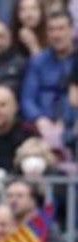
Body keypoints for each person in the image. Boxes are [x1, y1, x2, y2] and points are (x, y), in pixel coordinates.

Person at [20, 10, 75, 148]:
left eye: (61, 29)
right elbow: (27, 98)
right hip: (41, 128)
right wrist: (39, 119)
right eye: (52, 30)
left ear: (72, 31)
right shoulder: (38, 61)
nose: (56, 35)